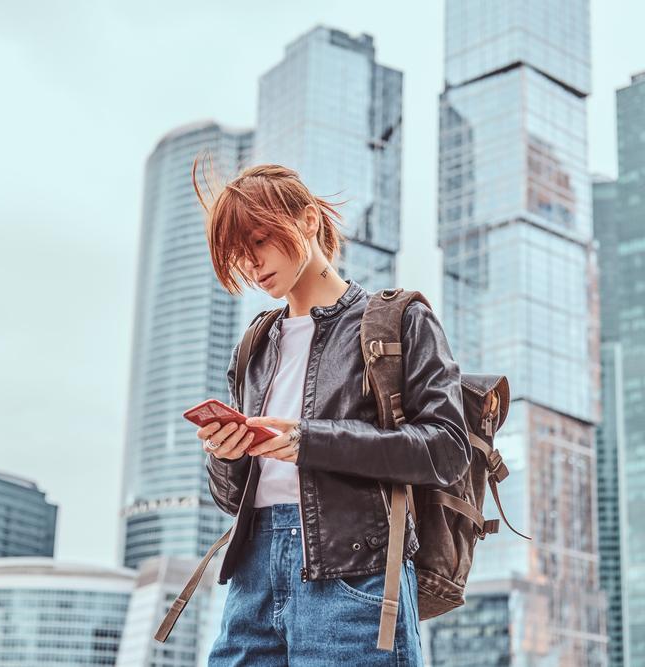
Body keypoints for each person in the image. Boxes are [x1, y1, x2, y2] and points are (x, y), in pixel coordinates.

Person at [191, 158, 470, 666]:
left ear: (307, 222)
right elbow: (235, 498)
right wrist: (226, 454)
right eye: (239, 253)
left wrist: (310, 441)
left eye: (258, 240)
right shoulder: (256, 342)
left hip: (354, 577)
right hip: (252, 578)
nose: (252, 265)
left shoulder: (398, 319)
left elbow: (447, 449)